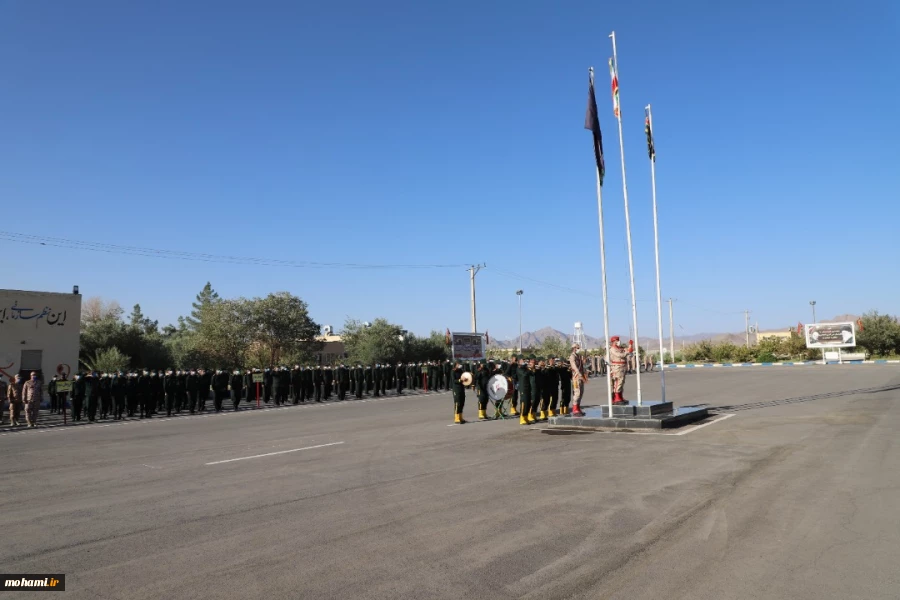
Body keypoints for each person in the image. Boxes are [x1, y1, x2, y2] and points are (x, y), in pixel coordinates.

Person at [609, 336, 629, 404]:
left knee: (622, 382)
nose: (618, 342)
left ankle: (620, 396)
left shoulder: (619, 348)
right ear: (614, 341)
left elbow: (626, 351)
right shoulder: (612, 349)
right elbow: (620, 355)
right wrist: (626, 352)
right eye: (617, 341)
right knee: (618, 382)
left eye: (618, 340)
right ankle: (616, 397)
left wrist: (629, 347)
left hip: (622, 366)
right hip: (617, 367)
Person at [569, 343, 587, 417]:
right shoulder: (572, 356)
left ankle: (578, 408)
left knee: (581, 392)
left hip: (581, 376)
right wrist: (579, 374)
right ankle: (575, 409)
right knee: (577, 393)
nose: (579, 349)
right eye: (578, 348)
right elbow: (574, 366)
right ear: (574, 348)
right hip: (576, 377)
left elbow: (581, 366)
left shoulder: (578, 356)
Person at [516, 357, 534, 425]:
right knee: (524, 403)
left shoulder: (525, 368)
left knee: (528, 403)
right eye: (523, 360)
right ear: (519, 361)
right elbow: (524, 374)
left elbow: (532, 374)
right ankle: (522, 418)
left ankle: (526, 417)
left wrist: (532, 368)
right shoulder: (519, 368)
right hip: (523, 388)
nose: (524, 361)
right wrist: (529, 369)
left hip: (528, 387)